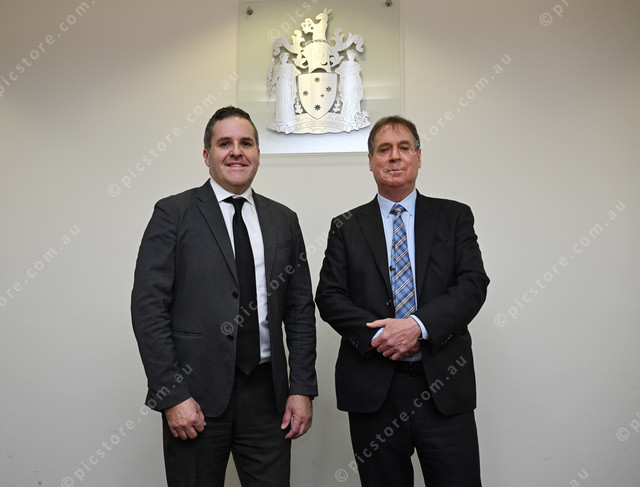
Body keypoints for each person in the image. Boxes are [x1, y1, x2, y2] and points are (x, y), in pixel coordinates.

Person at [132, 106, 317, 487]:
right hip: (194, 395)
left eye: (246, 143)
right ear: (207, 155)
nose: (236, 152)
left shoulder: (284, 220)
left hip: (268, 397)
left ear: (258, 154)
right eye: (224, 143)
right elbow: (149, 309)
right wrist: (172, 395)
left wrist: (301, 389)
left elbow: (300, 310)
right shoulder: (173, 214)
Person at [315, 115, 489, 486]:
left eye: (404, 147)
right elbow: (329, 296)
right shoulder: (345, 226)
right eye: (384, 149)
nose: (394, 156)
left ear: (418, 157)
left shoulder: (454, 217)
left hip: (443, 385)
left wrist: (417, 327)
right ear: (371, 161)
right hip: (374, 391)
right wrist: (383, 336)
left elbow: (473, 284)